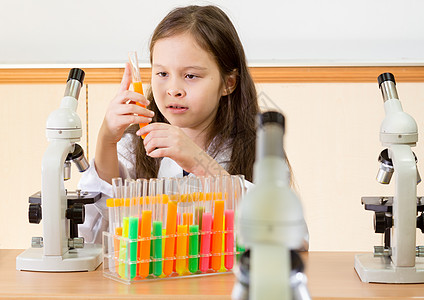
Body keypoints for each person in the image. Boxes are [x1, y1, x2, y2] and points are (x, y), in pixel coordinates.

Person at [78, 5, 308, 250]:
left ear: (228, 83)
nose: (173, 89)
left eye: (190, 76)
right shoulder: (135, 143)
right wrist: (106, 139)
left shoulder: (258, 149)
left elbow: (294, 238)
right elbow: (91, 234)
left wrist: (198, 162)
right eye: (162, 73)